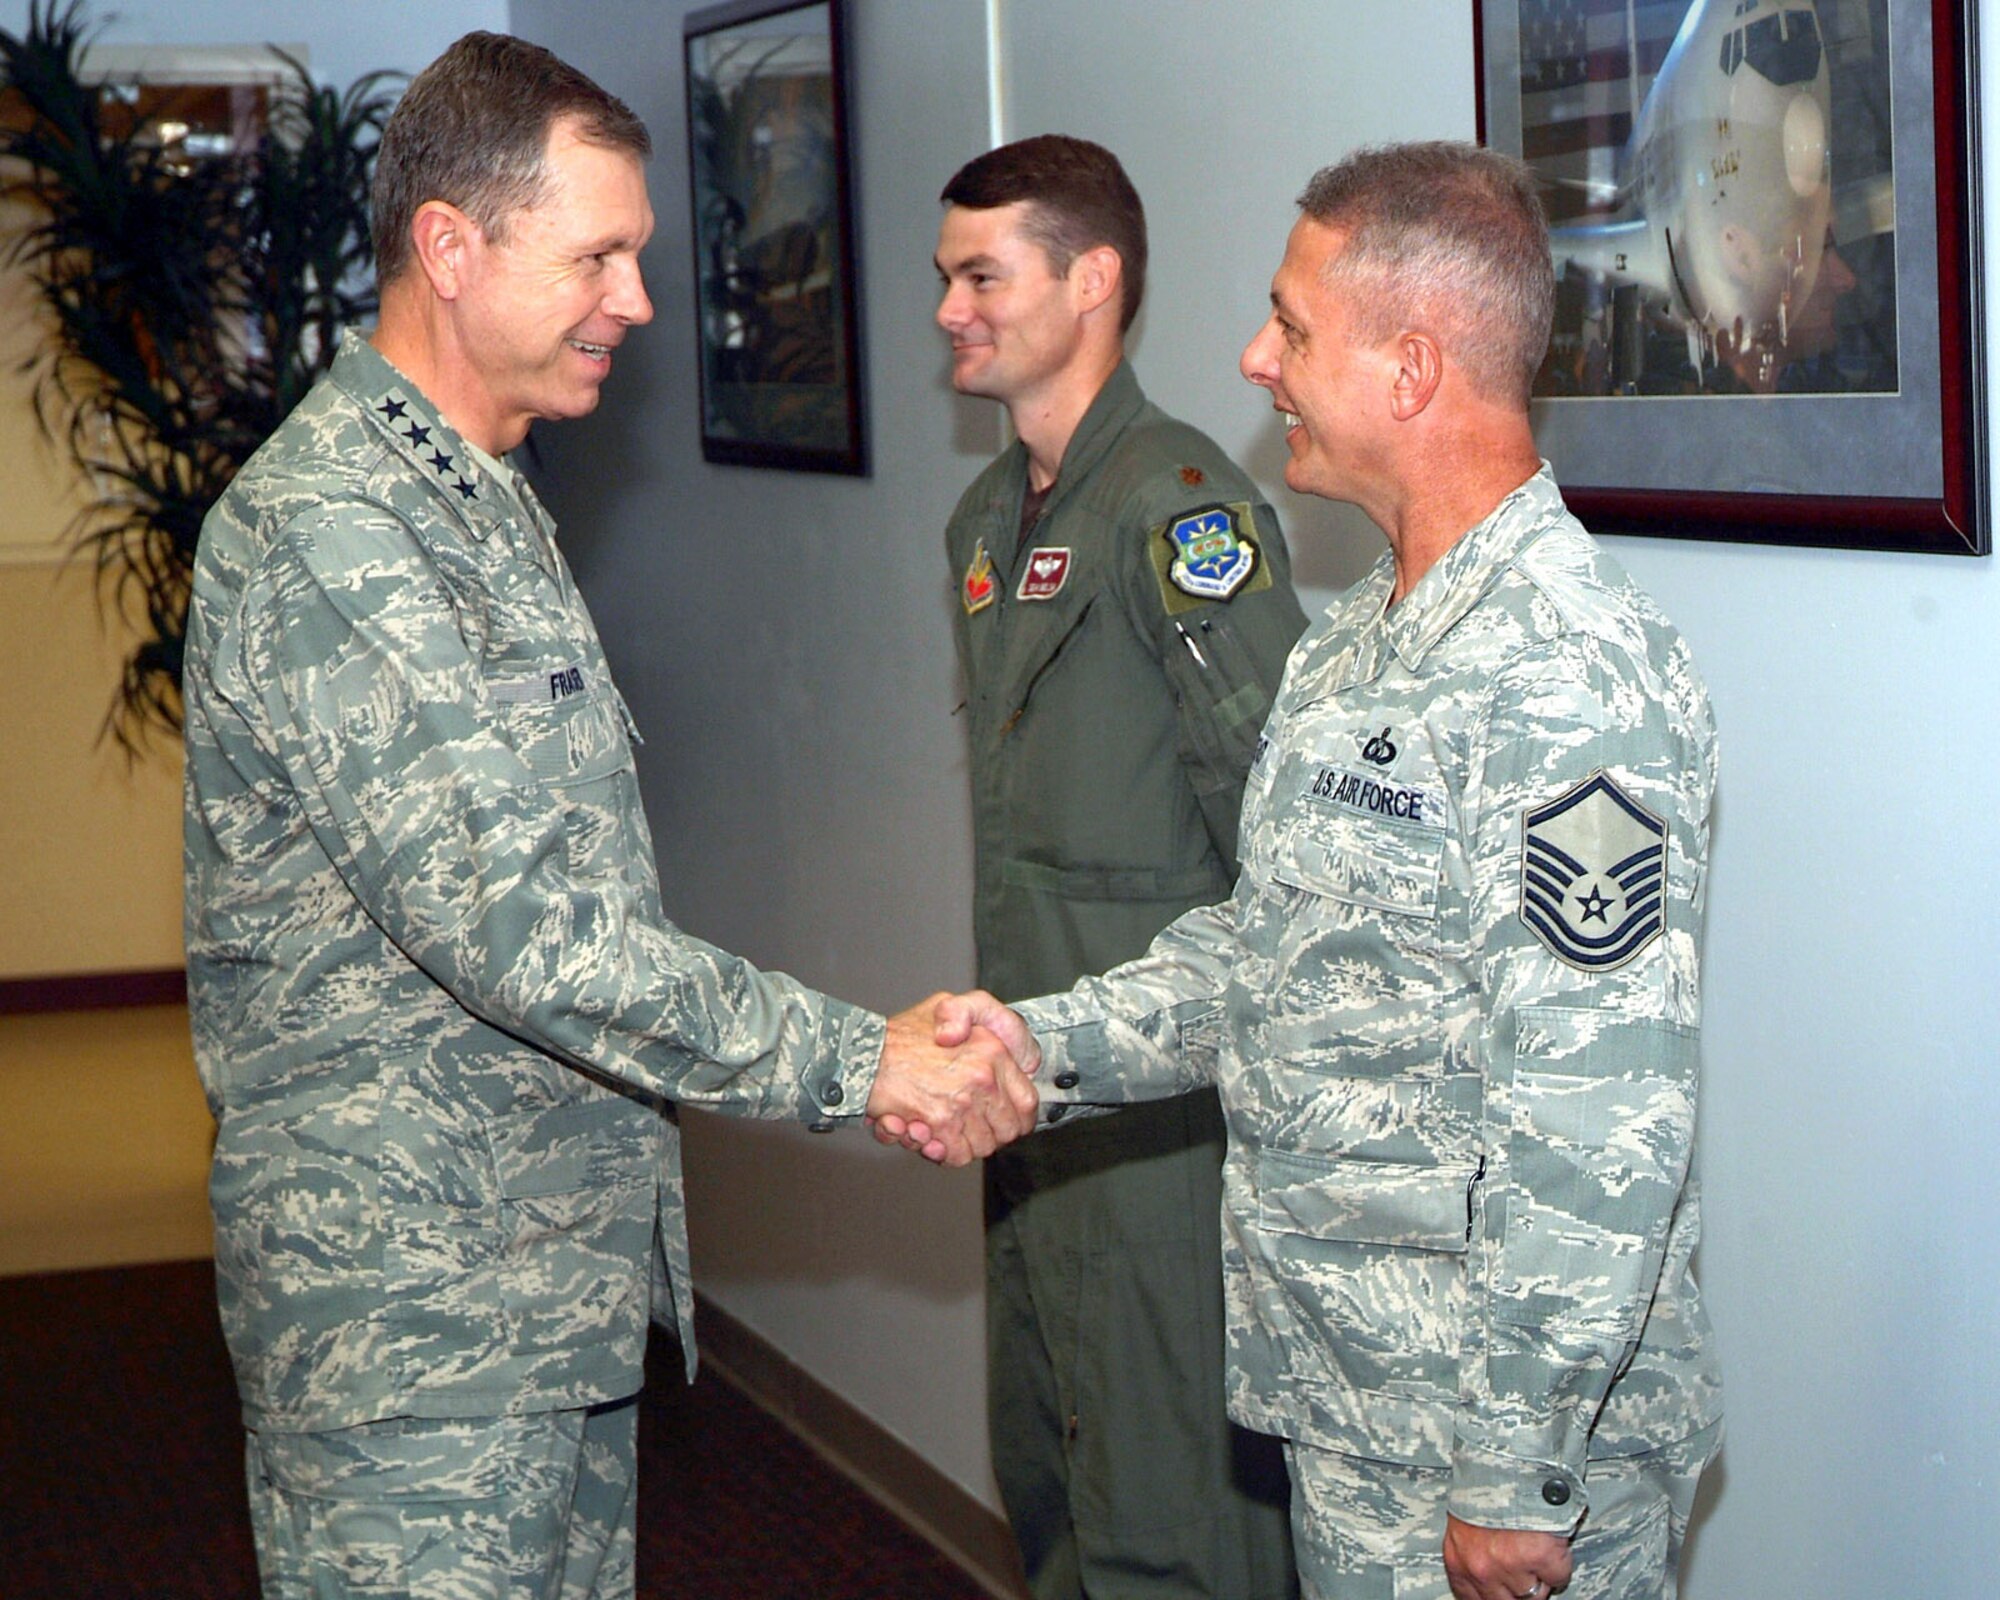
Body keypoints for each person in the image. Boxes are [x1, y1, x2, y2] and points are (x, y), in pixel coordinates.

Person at [182, 33, 1035, 1600]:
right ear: (451, 247)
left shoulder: (480, 494)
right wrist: (866, 1058)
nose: (639, 301)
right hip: (414, 1339)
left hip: (536, 1303)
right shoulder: (341, 539)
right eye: (600, 254)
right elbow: (533, 939)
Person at [903, 141, 1724, 1600]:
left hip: (1496, 1457)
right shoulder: (1355, 640)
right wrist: (1046, 1043)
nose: (1253, 356)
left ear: (1410, 369)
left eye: (1289, 324)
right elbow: (1260, 954)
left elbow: (1600, 1106)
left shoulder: (1573, 672)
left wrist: (1514, 1467)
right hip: (1350, 1408)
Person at [933, 135, 1305, 1600]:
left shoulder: (1183, 512)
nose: (952, 309)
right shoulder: (986, 524)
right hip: (1032, 1099)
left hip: (1165, 1125)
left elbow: (1284, 846)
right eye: (945, 277)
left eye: (981, 274)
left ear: (1092, 280)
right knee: (1051, 1484)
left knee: (1171, 1524)